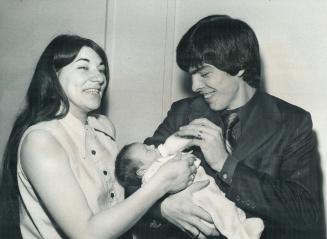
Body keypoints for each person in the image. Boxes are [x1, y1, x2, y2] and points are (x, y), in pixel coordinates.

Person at [141, 15, 326, 239]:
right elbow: (131, 176)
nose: (195, 86)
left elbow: (307, 215)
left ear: (238, 66)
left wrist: (226, 164)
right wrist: (163, 207)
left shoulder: (293, 123)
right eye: (192, 75)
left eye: (204, 73)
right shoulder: (182, 113)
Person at [0, 34, 198, 239]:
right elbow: (87, 233)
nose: (99, 78)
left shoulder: (103, 127)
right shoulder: (41, 141)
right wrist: (163, 182)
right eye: (83, 67)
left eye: (101, 69)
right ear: (53, 75)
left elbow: (120, 202)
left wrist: (163, 203)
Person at [115, 134, 265, 239]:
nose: (152, 145)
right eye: (147, 150)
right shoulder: (150, 174)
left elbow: (172, 146)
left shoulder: (157, 161)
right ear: (141, 171)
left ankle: (242, 225)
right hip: (197, 198)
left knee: (225, 206)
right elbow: (138, 193)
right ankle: (239, 235)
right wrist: (161, 206)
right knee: (221, 210)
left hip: (206, 188)